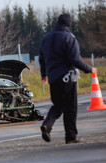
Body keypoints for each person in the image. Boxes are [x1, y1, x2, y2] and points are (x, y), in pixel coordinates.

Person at [39, 13, 97, 144]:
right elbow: (74, 59)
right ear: (68, 24)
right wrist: (89, 69)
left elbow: (42, 59)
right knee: (70, 107)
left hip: (53, 78)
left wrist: (44, 75)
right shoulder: (69, 37)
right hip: (67, 78)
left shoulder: (46, 38)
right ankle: (70, 137)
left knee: (58, 105)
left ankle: (47, 125)